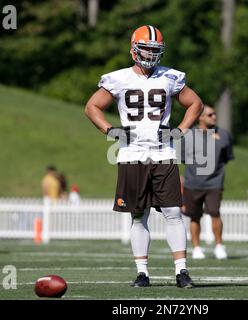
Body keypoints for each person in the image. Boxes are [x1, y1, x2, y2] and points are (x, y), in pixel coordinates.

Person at [85, 25, 203, 287]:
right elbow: (92, 106)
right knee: (139, 214)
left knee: (173, 211)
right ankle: (142, 272)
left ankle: (181, 271)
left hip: (163, 152)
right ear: (134, 49)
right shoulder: (117, 78)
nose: (150, 54)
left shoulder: (170, 77)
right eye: (147, 48)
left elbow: (196, 103)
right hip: (132, 153)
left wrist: (181, 130)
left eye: (155, 50)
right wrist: (110, 130)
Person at [181, 105, 234, 260]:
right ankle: (197, 248)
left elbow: (226, 157)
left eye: (215, 114)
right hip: (193, 182)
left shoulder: (224, 135)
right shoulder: (188, 135)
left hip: (214, 182)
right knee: (194, 216)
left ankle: (219, 246)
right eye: (210, 114)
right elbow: (183, 158)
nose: (214, 117)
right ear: (200, 117)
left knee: (215, 213)